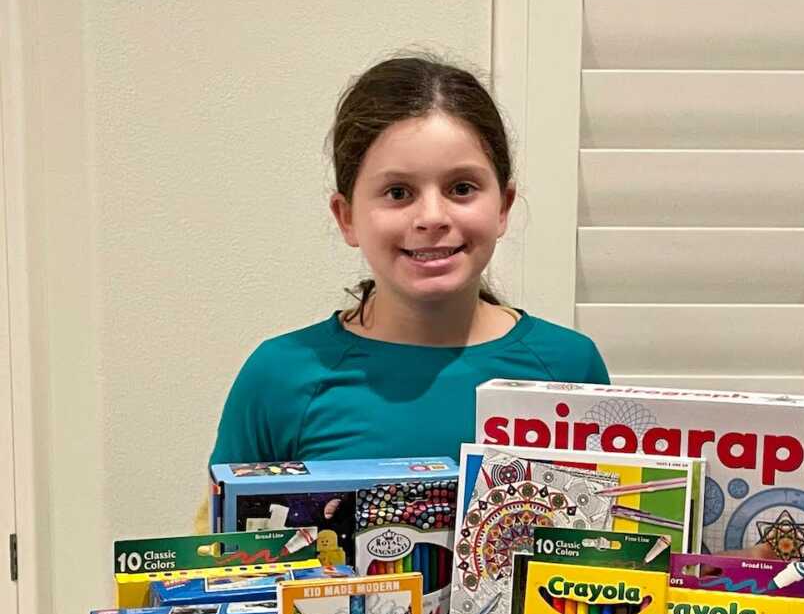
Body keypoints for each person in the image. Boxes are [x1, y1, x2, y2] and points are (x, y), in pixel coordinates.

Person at [210, 55, 609, 468]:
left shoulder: (569, 368)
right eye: (398, 192)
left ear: (504, 207)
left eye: (461, 188)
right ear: (346, 217)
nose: (432, 217)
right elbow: (222, 531)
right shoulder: (278, 378)